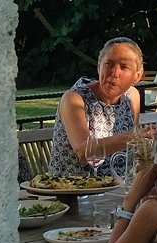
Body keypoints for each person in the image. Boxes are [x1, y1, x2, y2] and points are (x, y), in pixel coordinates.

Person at [48, 37, 146, 178]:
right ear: (99, 66)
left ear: (137, 76)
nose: (114, 72)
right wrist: (133, 137)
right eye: (109, 64)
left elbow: (134, 152)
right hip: (73, 191)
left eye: (124, 67)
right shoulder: (75, 99)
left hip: (116, 189)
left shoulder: (132, 97)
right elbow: (83, 151)